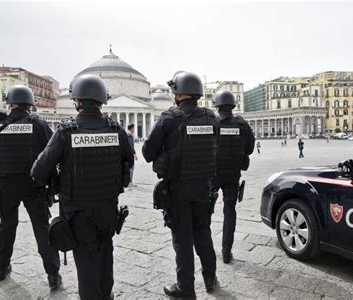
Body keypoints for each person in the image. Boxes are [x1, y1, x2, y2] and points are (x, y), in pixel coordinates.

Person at [31, 74, 134, 299]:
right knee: (106, 253)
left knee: (85, 259)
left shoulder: (66, 131)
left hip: (77, 209)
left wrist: (54, 181)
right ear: (101, 100)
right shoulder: (116, 129)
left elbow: (38, 171)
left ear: (77, 101)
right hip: (108, 205)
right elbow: (129, 162)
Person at [142, 71, 219, 298]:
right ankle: (210, 277)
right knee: (203, 232)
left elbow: (147, 152)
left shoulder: (169, 118)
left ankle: (185, 287)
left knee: (182, 238)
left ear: (178, 93)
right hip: (204, 186)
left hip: (178, 189)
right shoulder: (211, 117)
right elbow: (217, 147)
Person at [0, 85, 61, 287]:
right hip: (34, 184)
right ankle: (52, 275)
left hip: (6, 185)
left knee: (6, 227)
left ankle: (1, 269)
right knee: (42, 229)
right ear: (30, 104)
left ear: (10, 104)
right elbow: (52, 154)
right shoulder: (39, 124)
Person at [212, 91, 255, 264]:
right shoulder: (241, 124)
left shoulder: (213, 123)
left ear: (217, 106)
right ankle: (226, 251)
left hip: (213, 174)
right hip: (233, 174)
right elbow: (250, 149)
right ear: (232, 106)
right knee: (230, 211)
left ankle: (205, 246)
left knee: (205, 210)